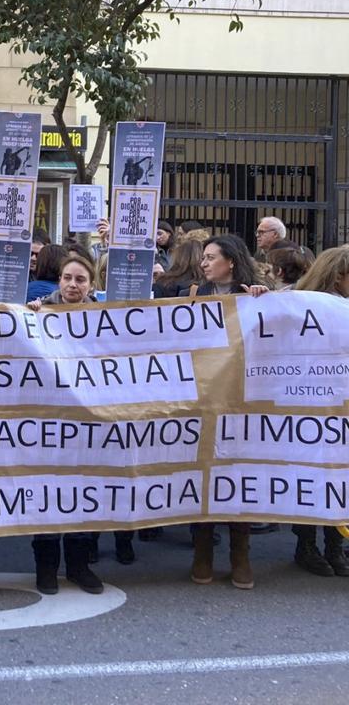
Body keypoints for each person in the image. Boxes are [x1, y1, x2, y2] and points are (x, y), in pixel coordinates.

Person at [26, 254, 113, 593]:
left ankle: (78, 566)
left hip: (88, 422)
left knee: (83, 492)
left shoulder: (106, 318)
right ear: (58, 280)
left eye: (80, 280)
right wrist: (27, 319)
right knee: (48, 493)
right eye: (67, 278)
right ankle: (46, 568)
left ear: (92, 285)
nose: (72, 285)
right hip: (48, 420)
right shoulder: (34, 312)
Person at [192, 234, 269, 589]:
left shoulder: (257, 295)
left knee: (239, 475)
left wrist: (264, 302)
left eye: (211, 257)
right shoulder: (193, 295)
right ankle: (203, 552)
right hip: (204, 401)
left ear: (231, 261)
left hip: (243, 401)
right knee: (204, 475)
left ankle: (241, 555)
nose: (204, 263)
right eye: (203, 257)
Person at [289, 246, 349, 576]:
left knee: (339, 475)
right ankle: (307, 545)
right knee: (313, 474)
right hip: (310, 404)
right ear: (339, 276)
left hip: (339, 405)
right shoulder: (300, 306)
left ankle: (334, 546)